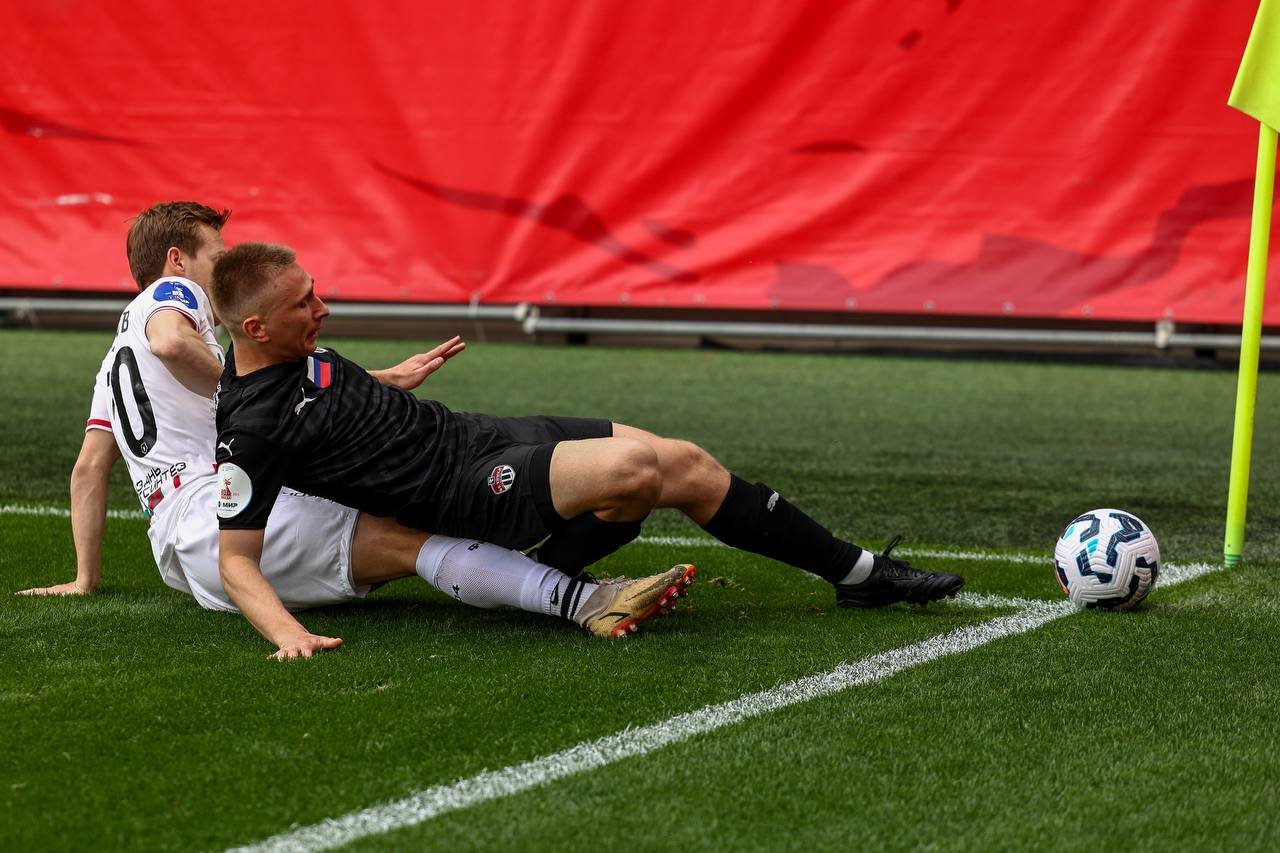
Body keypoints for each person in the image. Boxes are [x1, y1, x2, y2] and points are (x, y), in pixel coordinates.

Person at [17, 202, 695, 658]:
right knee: (409, 539)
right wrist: (239, 394)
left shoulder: (113, 359)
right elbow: (175, 342)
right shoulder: (174, 295)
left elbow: (89, 468)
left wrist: (85, 578)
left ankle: (550, 574)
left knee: (399, 518)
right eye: (216, 255)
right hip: (217, 512)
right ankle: (583, 600)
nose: (224, 269)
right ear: (175, 260)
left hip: (178, 550)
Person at [209, 242, 963, 640]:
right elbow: (235, 558)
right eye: (304, 302)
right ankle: (536, 576)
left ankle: (857, 573)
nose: (323, 306)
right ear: (255, 328)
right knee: (633, 470)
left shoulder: (292, 348)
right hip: (458, 493)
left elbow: (324, 392)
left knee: (685, 462)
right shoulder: (250, 427)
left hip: (474, 434)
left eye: (315, 289)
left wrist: (387, 378)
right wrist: (288, 635)